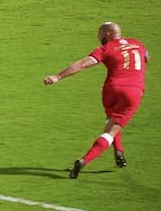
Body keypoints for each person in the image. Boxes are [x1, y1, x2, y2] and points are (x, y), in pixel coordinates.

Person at [44, 22, 149, 179]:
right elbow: (147, 57)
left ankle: (119, 152)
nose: (98, 37)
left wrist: (58, 76)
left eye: (99, 33)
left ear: (107, 34)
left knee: (111, 120)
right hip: (133, 90)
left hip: (111, 89)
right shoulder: (137, 43)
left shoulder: (106, 48)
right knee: (111, 130)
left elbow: (82, 64)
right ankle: (83, 160)